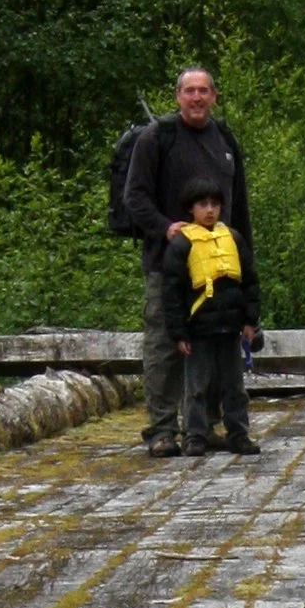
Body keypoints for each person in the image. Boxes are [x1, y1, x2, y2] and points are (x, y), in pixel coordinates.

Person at [122, 66, 256, 456]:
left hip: (220, 270)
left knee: (215, 347)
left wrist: (246, 261)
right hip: (169, 265)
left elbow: (239, 208)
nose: (196, 98)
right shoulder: (156, 138)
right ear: (178, 96)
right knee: (165, 343)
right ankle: (162, 429)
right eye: (189, 91)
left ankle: (204, 425)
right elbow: (135, 198)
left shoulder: (226, 140)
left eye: (204, 91)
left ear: (214, 96)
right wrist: (165, 228)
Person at [162, 188, 261, 456]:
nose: (209, 210)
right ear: (191, 210)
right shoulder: (182, 244)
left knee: (234, 387)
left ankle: (239, 433)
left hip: (230, 328)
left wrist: (251, 321)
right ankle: (195, 436)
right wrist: (179, 334)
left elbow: (250, 283)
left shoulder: (234, 238)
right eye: (203, 204)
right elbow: (171, 293)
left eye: (215, 204)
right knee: (196, 388)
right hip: (198, 330)